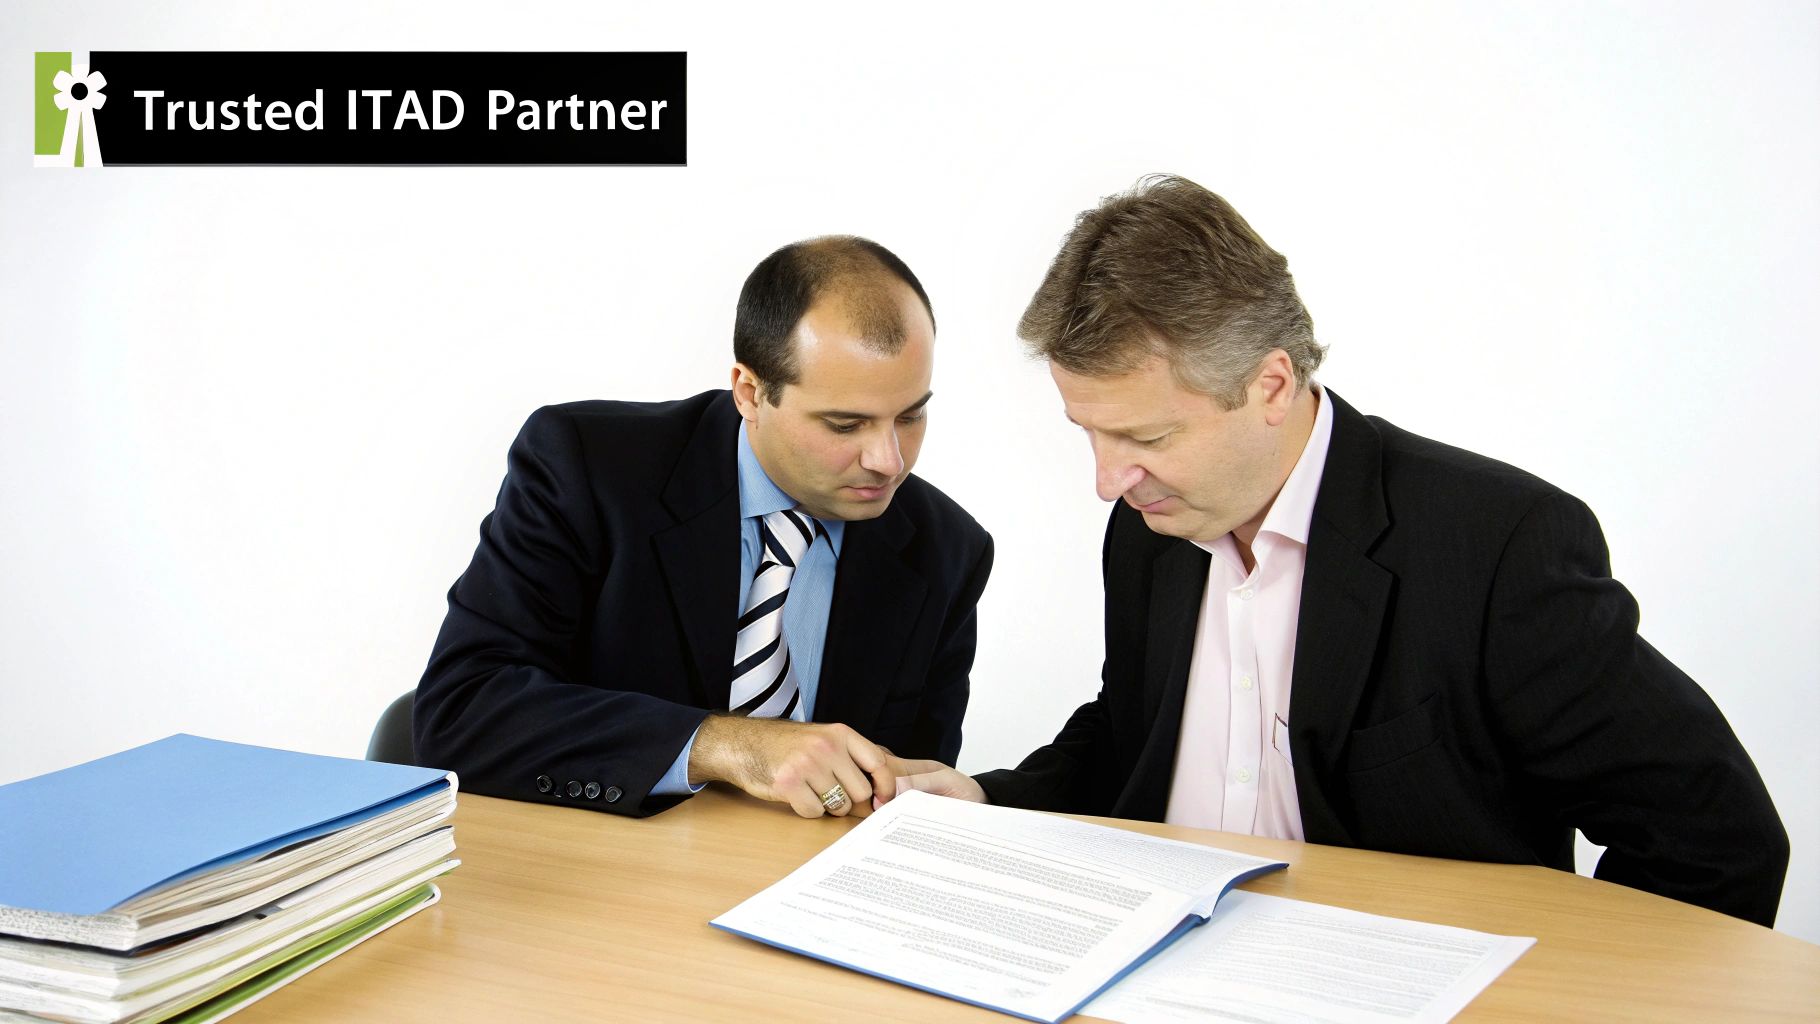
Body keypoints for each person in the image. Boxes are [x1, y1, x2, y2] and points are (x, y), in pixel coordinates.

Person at [892, 175, 1788, 926]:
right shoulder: (1151, 523)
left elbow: (1716, 840)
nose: (1106, 479)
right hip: (1140, 960)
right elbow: (1135, 726)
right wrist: (989, 801)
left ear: (1271, 384)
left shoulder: (1494, 547)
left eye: (1149, 437)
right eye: (1088, 432)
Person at [415, 236, 993, 820]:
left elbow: (908, 805)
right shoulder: (587, 469)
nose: (889, 460)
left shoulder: (947, 552)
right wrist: (725, 745)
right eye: (846, 424)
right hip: (592, 875)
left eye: (912, 414)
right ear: (749, 392)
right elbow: (463, 712)